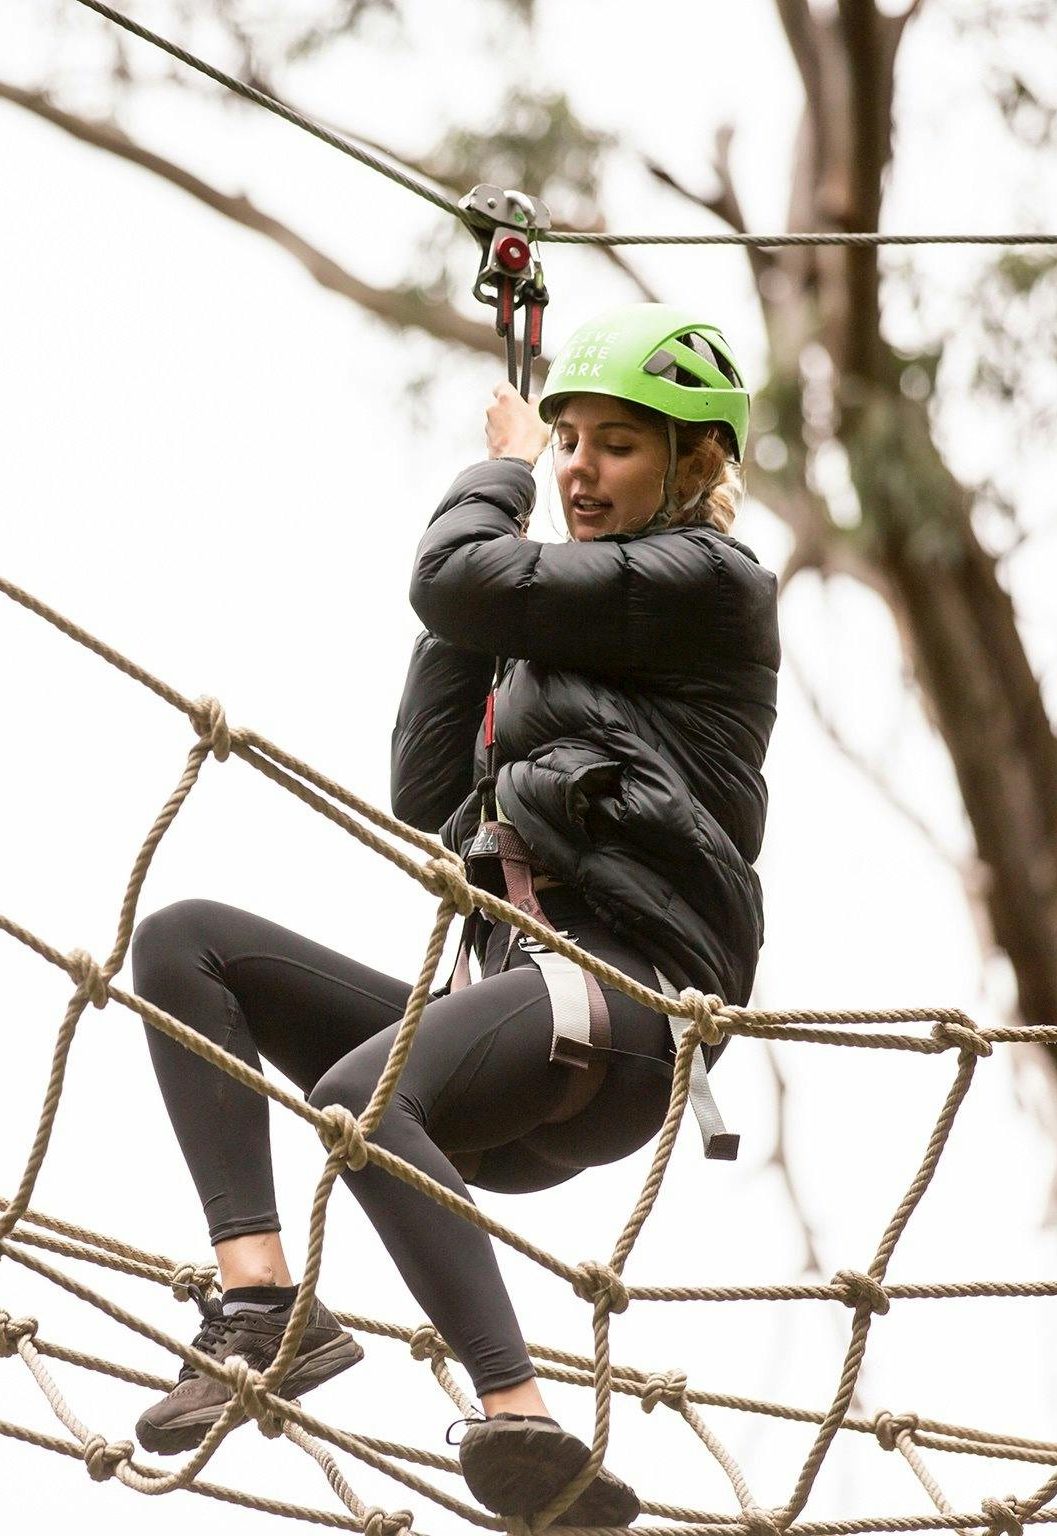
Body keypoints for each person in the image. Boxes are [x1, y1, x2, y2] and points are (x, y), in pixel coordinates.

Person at [126, 302, 780, 1522]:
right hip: (518, 1027)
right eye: (568, 439)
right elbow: (427, 786)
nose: (579, 468)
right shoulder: (564, 618)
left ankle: (519, 1418)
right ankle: (263, 1301)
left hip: (618, 1014)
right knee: (183, 942)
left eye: (617, 446)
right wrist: (474, 627)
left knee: (352, 1102)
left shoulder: (712, 584)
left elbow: (453, 569)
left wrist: (503, 470)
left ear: (693, 464)